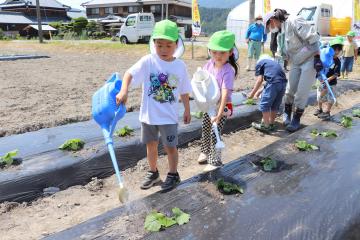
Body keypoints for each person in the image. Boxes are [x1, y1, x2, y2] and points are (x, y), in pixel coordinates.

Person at [115, 20, 192, 192]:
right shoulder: (148, 61)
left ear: (176, 44)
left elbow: (184, 90)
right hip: (148, 116)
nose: (163, 50)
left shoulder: (180, 66)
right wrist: (123, 90)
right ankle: (153, 172)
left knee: (170, 147)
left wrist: (187, 109)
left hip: (169, 117)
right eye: (159, 45)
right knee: (151, 146)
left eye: (168, 45)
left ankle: (173, 174)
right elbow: (129, 74)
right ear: (153, 44)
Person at [263, 9, 322, 132]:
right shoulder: (280, 34)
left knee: (301, 92)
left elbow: (313, 38)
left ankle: (296, 119)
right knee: (289, 90)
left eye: (270, 26)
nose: (271, 30)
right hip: (295, 62)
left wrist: (317, 58)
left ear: (273, 21)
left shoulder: (294, 21)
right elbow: (281, 54)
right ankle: (287, 113)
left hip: (309, 59)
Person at [197, 30, 238, 172]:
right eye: (214, 52)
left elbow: (225, 93)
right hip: (209, 104)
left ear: (230, 52)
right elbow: (201, 80)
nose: (218, 56)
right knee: (206, 128)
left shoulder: (228, 70)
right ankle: (205, 151)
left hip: (222, 106)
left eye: (222, 52)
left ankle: (215, 161)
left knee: (215, 132)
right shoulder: (208, 65)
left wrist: (219, 114)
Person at [248, 54, 287, 132]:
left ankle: (266, 126)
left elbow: (260, 80)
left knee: (265, 104)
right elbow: (274, 79)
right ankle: (271, 123)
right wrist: (259, 91)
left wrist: (251, 94)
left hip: (274, 84)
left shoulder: (261, 63)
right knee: (275, 105)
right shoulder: (274, 63)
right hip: (283, 84)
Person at [314, 37, 344, 120]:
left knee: (330, 98)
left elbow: (336, 73)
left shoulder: (337, 61)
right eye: (335, 49)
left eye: (338, 50)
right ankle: (320, 109)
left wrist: (328, 79)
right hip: (321, 81)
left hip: (331, 83)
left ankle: (327, 112)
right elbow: (318, 66)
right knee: (319, 96)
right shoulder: (324, 56)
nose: (336, 52)